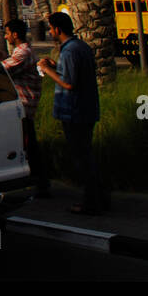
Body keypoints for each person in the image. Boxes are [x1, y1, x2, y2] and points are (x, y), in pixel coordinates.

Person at [38, 12, 107, 214]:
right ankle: (100, 197)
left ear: (58, 29)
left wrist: (47, 70)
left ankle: (90, 202)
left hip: (74, 112)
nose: (50, 32)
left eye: (51, 28)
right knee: (87, 155)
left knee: (82, 158)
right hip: (86, 109)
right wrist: (56, 66)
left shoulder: (69, 51)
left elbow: (69, 83)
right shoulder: (81, 47)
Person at [2, 18, 49, 197]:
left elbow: (3, 69)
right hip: (25, 106)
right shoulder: (22, 51)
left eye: (7, 34)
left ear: (15, 34)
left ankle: (40, 183)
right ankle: (38, 181)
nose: (6, 37)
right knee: (29, 145)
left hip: (24, 106)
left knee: (30, 146)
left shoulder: (22, 53)